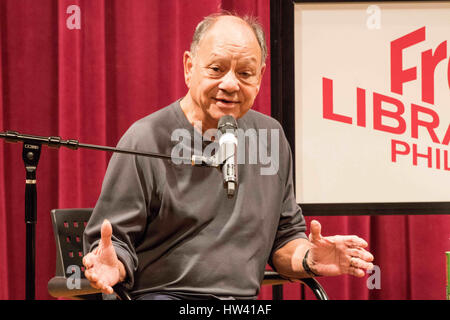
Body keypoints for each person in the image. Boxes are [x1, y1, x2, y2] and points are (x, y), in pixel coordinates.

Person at [82, 12, 374, 300]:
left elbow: (285, 238)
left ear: (259, 78)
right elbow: (114, 240)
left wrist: (309, 258)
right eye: (217, 69)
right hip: (163, 296)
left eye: (245, 73)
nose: (231, 84)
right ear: (189, 67)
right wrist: (113, 264)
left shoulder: (270, 137)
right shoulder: (147, 138)